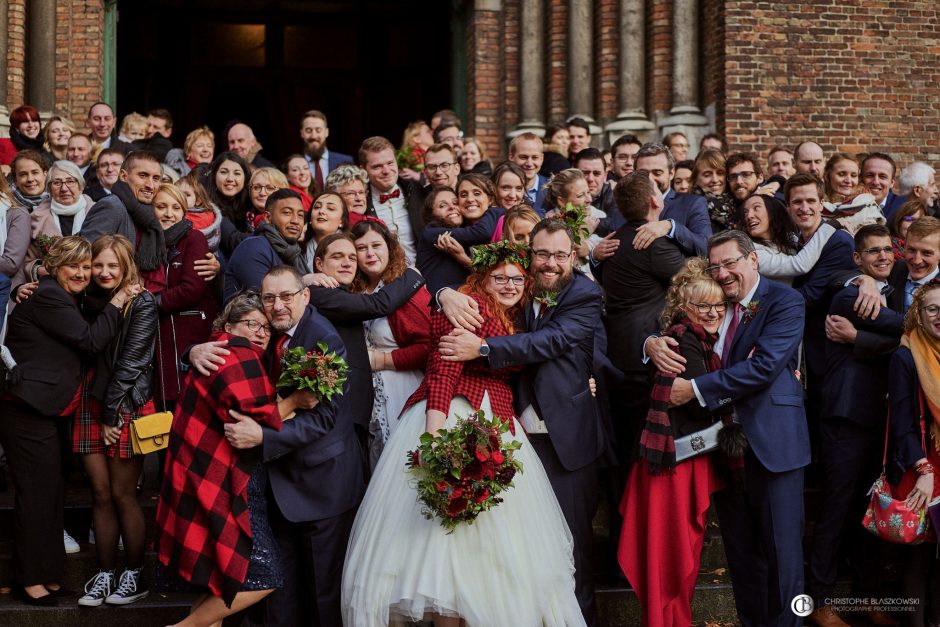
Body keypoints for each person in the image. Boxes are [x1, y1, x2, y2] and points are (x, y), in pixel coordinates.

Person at [343, 239, 586, 627]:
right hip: (457, 416)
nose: (509, 285)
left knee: (498, 555)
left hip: (502, 426)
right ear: (483, 280)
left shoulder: (518, 316)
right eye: (500, 278)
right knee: (445, 550)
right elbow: (442, 373)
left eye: (517, 279)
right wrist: (433, 441)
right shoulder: (465, 308)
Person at [437, 220, 609, 625]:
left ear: (574, 256)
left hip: (564, 436)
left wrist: (480, 347)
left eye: (559, 255)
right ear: (529, 254)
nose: (550, 263)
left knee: (572, 549)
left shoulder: (584, 293)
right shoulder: (523, 285)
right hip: (515, 434)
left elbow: (550, 342)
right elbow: (478, 289)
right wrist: (443, 294)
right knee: (526, 546)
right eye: (542, 254)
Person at [647, 230, 809, 627]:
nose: (721, 273)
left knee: (783, 557)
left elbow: (764, 367)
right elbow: (671, 325)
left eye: (730, 262)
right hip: (725, 450)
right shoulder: (715, 306)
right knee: (742, 557)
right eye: (715, 265)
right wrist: (650, 342)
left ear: (753, 260)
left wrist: (695, 389)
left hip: (774, 444)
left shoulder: (785, 302)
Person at [204, 265, 364, 626]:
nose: (277, 306)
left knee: (323, 595)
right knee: (282, 593)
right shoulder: (269, 335)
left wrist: (263, 437)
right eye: (269, 298)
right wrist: (194, 351)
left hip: (322, 485)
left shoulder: (322, 340)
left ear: (304, 296)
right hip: (280, 486)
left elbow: (322, 420)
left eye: (286, 297)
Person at [154, 292, 316, 627]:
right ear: (228, 325)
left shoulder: (222, 351)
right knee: (264, 574)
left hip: (205, 475)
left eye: (266, 328)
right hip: (222, 481)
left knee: (215, 579)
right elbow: (255, 414)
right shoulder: (235, 353)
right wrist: (296, 401)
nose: (260, 333)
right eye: (251, 324)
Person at [0, 236, 136, 606]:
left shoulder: (63, 296)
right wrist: (121, 300)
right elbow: (91, 341)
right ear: (55, 268)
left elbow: (91, 310)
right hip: (26, 409)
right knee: (35, 495)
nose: (81, 273)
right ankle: (30, 580)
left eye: (85, 265)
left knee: (51, 493)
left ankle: (48, 574)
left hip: (49, 409)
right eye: (72, 266)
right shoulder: (47, 295)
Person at [618, 257, 726, 627]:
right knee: (671, 550)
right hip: (673, 462)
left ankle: (671, 618)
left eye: (718, 305)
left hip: (677, 457)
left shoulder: (698, 338)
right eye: (703, 305)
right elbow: (699, 402)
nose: (712, 313)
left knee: (679, 550)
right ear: (685, 307)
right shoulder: (684, 338)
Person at [806, 224, 905, 627]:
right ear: (857, 259)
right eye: (873, 252)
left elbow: (901, 334)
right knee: (837, 507)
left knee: (870, 510)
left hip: (881, 421)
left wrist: (860, 340)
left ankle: (869, 598)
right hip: (845, 419)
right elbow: (908, 325)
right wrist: (901, 330)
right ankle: (817, 600)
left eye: (887, 250)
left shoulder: (890, 291)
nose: (882, 256)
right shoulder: (850, 296)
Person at [74, 235, 157, 607]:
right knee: (100, 493)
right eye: (98, 265)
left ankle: (134, 574)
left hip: (123, 401)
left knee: (124, 494)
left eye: (113, 266)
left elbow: (132, 362)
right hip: (88, 400)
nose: (105, 272)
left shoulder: (142, 302)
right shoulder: (83, 299)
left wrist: (111, 414)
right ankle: (105, 574)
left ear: (126, 267)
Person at [309, 232, 427, 477]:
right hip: (341, 410)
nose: (347, 262)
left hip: (367, 404)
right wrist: (413, 275)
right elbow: (377, 305)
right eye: (338, 257)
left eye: (352, 257)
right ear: (319, 264)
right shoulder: (320, 292)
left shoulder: (339, 291)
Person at [600, 171, 685, 472]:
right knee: (640, 450)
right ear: (653, 200)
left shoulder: (615, 240)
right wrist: (675, 230)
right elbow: (698, 276)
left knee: (625, 444)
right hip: (643, 358)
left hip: (618, 351)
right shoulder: (650, 243)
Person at [350, 219, 430, 466]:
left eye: (376, 245)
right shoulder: (354, 290)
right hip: (366, 390)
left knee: (401, 461)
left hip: (402, 384)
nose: (370, 253)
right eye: (361, 249)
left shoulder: (405, 287)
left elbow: (430, 346)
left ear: (390, 247)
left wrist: (383, 359)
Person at [887, 282, 940, 627]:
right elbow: (902, 421)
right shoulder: (905, 355)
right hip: (923, 466)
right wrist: (923, 469)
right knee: (919, 558)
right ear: (918, 316)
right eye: (933, 309)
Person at [146, 184, 217, 413]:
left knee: (192, 405)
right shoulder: (145, 242)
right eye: (161, 206)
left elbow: (192, 289)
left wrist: (152, 302)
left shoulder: (193, 238)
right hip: (159, 338)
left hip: (190, 335)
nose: (169, 213)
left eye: (176, 207)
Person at [224, 188, 311, 302]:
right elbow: (268, 303)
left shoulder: (295, 252)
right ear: (268, 218)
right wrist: (305, 280)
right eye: (287, 213)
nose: (295, 220)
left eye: (300, 215)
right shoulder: (253, 248)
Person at [18, 160, 95, 287]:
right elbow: (26, 261)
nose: (64, 188)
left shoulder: (97, 213)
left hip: (90, 285)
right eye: (57, 183)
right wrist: (38, 270)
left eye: (70, 181)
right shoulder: (35, 219)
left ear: (80, 185)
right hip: (51, 286)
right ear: (49, 189)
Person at [739, 193, 836, 286]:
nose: (749, 216)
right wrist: (830, 226)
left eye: (756, 208)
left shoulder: (789, 237)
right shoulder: (751, 253)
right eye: (745, 212)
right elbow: (799, 265)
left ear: (772, 212)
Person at [360, 136, 422, 264]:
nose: (386, 171)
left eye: (390, 163)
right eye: (377, 167)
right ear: (364, 170)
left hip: (425, 274)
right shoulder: (360, 203)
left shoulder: (417, 191)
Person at [205, 151, 253, 257]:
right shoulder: (209, 205)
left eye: (237, 173)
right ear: (214, 176)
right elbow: (234, 240)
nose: (230, 179)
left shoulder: (251, 201)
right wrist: (270, 235)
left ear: (245, 178)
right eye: (224, 172)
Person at [300, 110, 353, 188]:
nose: (313, 136)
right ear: (301, 133)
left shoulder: (345, 162)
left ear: (326, 132)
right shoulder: (292, 165)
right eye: (308, 130)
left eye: (318, 130)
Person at [691, 148, 736, 232]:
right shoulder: (691, 209)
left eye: (720, 173)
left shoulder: (738, 203)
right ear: (696, 178)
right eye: (707, 174)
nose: (715, 180)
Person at [301, 190, 349, 267]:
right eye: (317, 207)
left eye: (330, 208)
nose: (321, 211)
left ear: (341, 221)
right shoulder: (299, 247)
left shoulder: (350, 249)